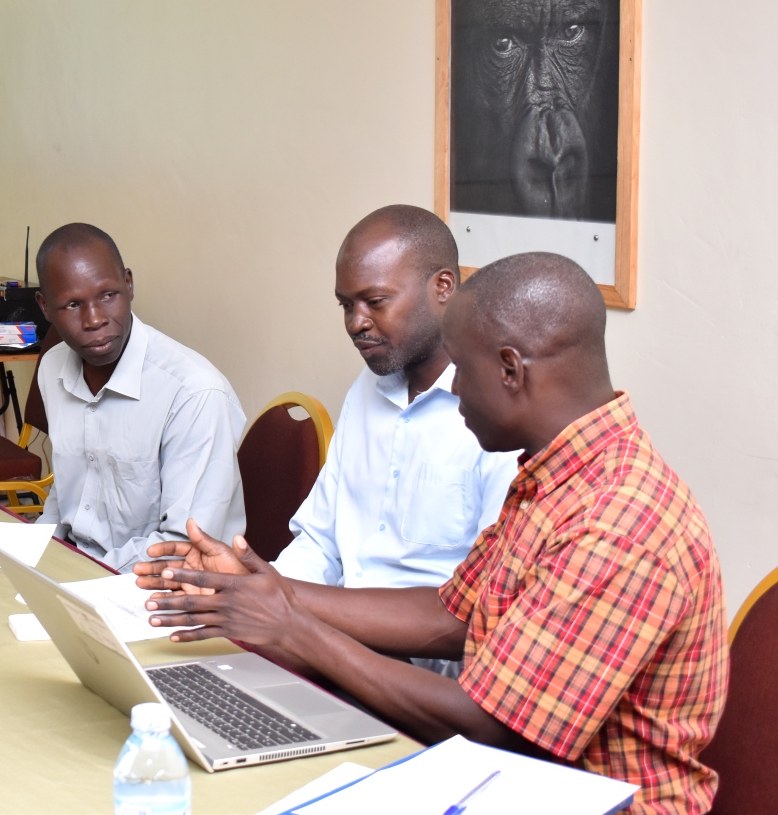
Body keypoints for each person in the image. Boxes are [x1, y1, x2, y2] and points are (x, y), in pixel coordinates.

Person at [136, 253, 728, 815]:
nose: (454, 391)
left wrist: (294, 629)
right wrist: (267, 587)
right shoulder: (558, 472)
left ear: (510, 370)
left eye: (462, 371)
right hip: (504, 778)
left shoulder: (618, 520)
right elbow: (453, 617)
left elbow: (498, 729)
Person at [274, 206, 518, 674]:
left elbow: (483, 615)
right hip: (333, 645)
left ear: (443, 288)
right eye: (346, 305)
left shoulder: (499, 416)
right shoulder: (368, 389)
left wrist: (283, 601)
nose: (355, 323)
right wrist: (259, 599)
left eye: (375, 302)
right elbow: (322, 542)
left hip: (426, 679)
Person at [33, 222, 247, 571]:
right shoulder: (53, 367)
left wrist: (76, 577)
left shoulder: (193, 393)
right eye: (72, 305)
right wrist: (33, 555)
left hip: (157, 586)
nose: (94, 319)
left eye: (107, 295)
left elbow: (183, 545)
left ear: (128, 284)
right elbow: (68, 494)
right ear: (45, 307)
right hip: (74, 569)